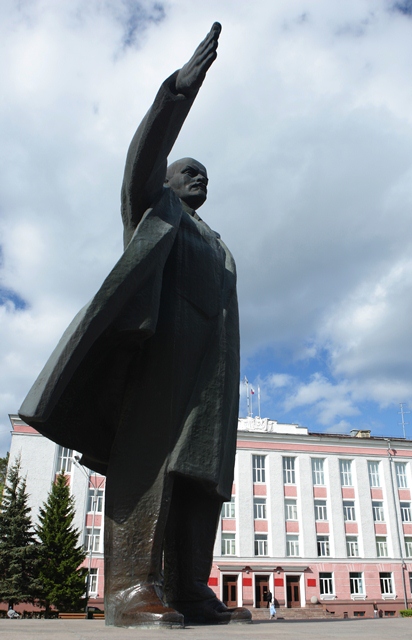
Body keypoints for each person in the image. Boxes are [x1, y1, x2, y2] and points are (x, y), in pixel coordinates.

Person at [19, 23, 250, 628]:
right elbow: (141, 160)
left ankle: (188, 588)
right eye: (188, 169)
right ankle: (129, 589)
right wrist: (177, 94)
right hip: (161, 357)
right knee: (148, 460)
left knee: (203, 476)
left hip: (212, 373)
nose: (199, 176)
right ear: (167, 182)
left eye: (205, 174)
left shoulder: (220, 243)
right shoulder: (156, 208)